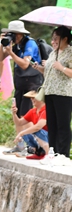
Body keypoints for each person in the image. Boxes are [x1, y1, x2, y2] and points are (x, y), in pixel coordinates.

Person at [34, 26, 72, 163]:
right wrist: (39, 68)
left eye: (56, 38)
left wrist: (62, 67)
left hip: (64, 93)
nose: (53, 41)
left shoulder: (70, 52)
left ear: (65, 38)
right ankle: (53, 152)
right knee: (52, 123)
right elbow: (50, 72)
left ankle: (63, 154)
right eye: (53, 39)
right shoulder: (53, 53)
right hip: (50, 91)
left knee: (63, 124)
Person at [0, 20, 43, 119]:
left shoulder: (30, 43)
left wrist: (11, 53)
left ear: (20, 34)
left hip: (32, 83)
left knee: (27, 114)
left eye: (13, 34)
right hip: (20, 83)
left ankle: (29, 134)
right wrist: (2, 44)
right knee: (18, 112)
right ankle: (21, 134)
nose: (13, 37)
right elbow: (0, 58)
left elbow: (25, 65)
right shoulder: (16, 45)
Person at [10, 90, 48, 159]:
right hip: (40, 136)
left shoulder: (46, 110)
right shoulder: (32, 111)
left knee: (36, 130)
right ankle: (37, 152)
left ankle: (47, 153)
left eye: (34, 97)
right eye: (31, 98)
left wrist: (21, 133)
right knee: (26, 132)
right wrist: (14, 114)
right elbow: (19, 123)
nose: (32, 99)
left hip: (48, 137)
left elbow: (38, 127)